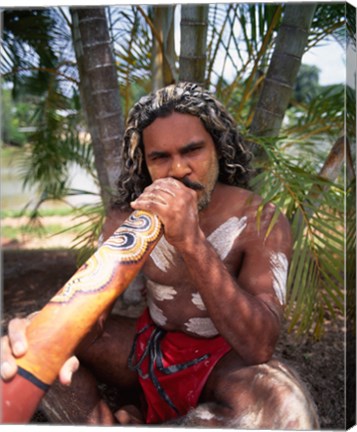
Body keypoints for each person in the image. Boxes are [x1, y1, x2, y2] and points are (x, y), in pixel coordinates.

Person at [1, 82, 319, 428]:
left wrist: (190, 240)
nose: (178, 169)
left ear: (218, 147)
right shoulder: (128, 218)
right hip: (145, 348)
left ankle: (138, 416)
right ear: (145, 163)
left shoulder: (261, 220)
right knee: (21, 350)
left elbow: (259, 346)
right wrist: (46, 330)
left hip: (223, 361)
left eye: (192, 150)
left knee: (286, 408)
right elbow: (95, 321)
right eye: (160, 157)